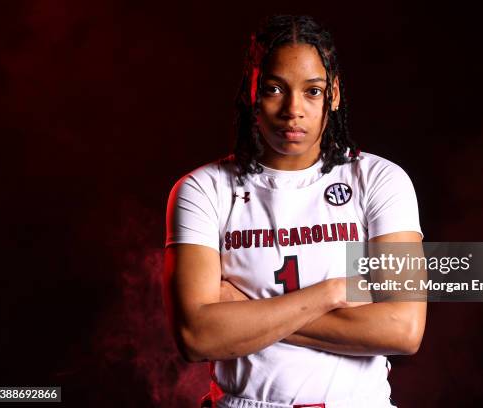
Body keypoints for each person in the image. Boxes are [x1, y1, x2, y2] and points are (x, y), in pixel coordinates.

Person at [163, 14, 426, 408]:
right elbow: (197, 337)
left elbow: (403, 329)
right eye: (274, 88)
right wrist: (332, 292)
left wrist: (247, 315)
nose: (293, 109)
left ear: (334, 94)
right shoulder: (202, 190)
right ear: (251, 92)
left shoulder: (381, 181)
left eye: (313, 91)